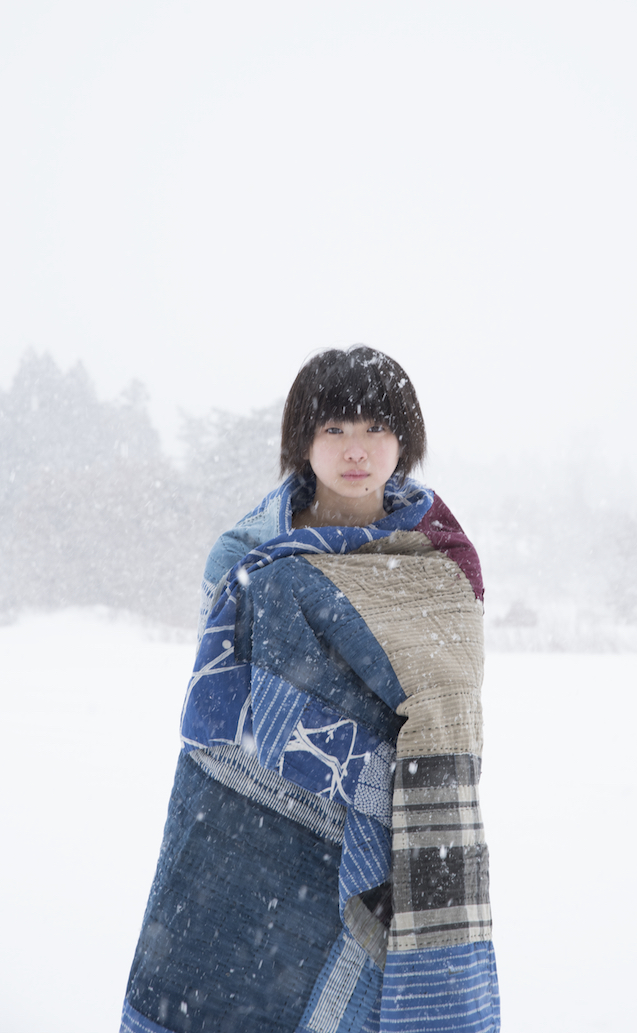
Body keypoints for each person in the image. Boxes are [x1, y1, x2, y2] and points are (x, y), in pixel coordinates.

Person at [120, 346, 500, 1033]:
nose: (355, 449)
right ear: (302, 441)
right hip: (239, 825)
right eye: (334, 429)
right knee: (217, 974)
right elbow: (220, 710)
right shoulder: (247, 556)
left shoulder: (438, 562)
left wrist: (367, 782)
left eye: (375, 429)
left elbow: (451, 706)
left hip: (389, 831)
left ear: (404, 442)